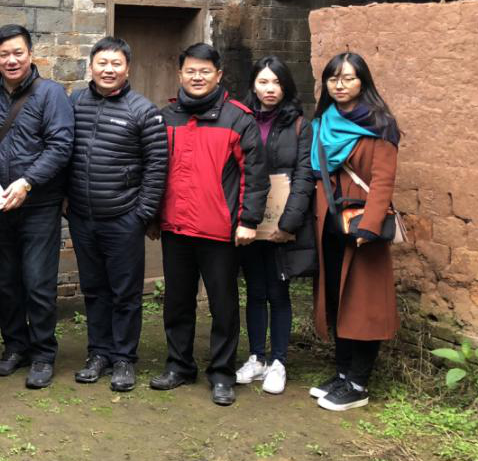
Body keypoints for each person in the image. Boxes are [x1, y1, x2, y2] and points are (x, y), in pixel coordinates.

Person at [148, 42, 268, 407]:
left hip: (220, 230)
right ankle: (179, 365)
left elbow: (254, 175)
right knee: (176, 302)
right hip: (176, 227)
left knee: (223, 305)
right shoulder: (166, 117)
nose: (197, 77)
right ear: (180, 74)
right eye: (190, 71)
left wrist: (248, 220)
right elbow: (154, 171)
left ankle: (221, 373)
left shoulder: (238, 119)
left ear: (218, 75)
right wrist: (153, 217)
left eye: (204, 71)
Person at [0, 24, 74, 389]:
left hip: (39, 204)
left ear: (30, 54)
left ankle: (43, 353)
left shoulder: (51, 94)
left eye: (18, 53)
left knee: (38, 283)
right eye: (4, 54)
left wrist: (28, 181)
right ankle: (15, 346)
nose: (11, 60)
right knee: (7, 283)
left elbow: (60, 146)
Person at [67, 37, 168, 393]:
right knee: (94, 290)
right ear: (91, 66)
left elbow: (157, 167)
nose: (108, 70)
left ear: (127, 68)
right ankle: (98, 353)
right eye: (102, 63)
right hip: (82, 217)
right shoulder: (74, 103)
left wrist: (142, 215)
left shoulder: (144, 111)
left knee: (125, 293)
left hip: (124, 217)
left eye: (116, 64)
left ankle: (124, 358)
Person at [309, 52, 401, 412]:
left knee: (363, 306)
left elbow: (383, 181)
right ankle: (342, 373)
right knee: (337, 300)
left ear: (363, 82)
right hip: (330, 226)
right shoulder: (323, 122)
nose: (340, 85)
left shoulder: (380, 125)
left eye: (348, 78)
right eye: (333, 79)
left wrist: (370, 226)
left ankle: (358, 384)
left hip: (361, 229)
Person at [233, 56, 315, 395]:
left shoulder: (299, 125)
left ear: (286, 87)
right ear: (253, 85)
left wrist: (289, 222)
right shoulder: (242, 120)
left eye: (277, 82)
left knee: (278, 291)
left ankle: (279, 361)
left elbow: (304, 175)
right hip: (250, 220)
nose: (270, 89)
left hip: (282, 222)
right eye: (263, 82)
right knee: (255, 290)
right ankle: (257, 357)